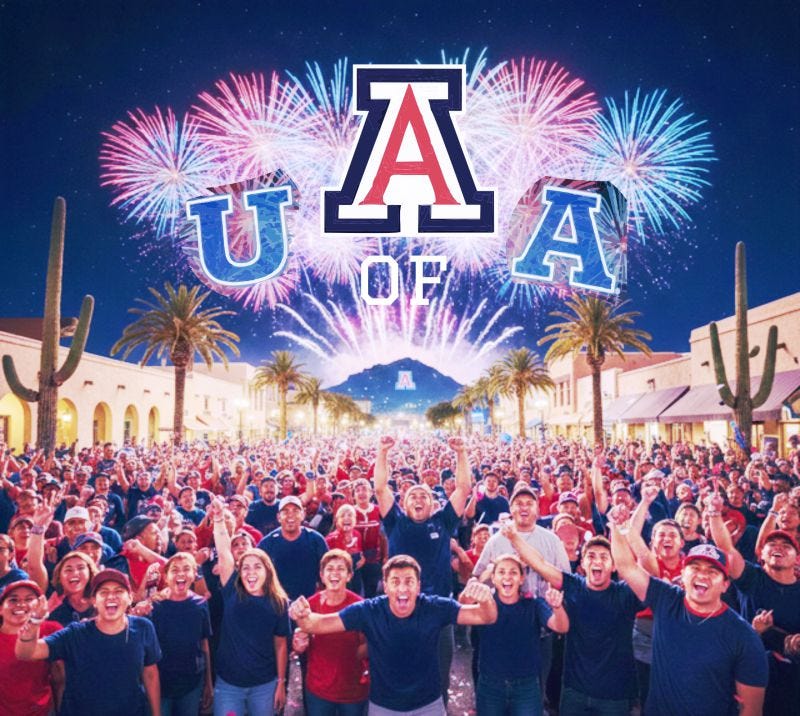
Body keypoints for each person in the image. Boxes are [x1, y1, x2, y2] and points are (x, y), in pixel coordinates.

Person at [289, 554, 497, 716]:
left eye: (409, 581)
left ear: (418, 586)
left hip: (429, 705)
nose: (402, 588)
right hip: (383, 707)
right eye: (395, 581)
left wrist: (486, 600)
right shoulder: (369, 610)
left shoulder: (434, 607)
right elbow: (316, 623)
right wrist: (300, 614)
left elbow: (485, 617)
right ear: (385, 586)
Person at [608, 506, 768, 716]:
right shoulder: (666, 599)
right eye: (695, 568)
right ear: (682, 575)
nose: (702, 575)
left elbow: (752, 709)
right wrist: (618, 528)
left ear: (725, 585)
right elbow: (626, 565)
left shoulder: (743, 636)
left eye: (712, 571)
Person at [504, 522, 642, 715]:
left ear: (613, 566)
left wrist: (627, 532)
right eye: (591, 556)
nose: (597, 561)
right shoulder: (573, 585)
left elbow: (650, 573)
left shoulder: (625, 594)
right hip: (574, 692)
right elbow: (540, 564)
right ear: (583, 563)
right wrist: (513, 537)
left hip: (615, 696)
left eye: (604, 557)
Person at [374, 435, 472, 704]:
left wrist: (461, 452)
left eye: (424, 496)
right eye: (412, 496)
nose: (418, 499)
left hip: (437, 610)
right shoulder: (395, 522)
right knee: (399, 671)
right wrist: (383, 453)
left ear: (434, 504)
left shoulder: (443, 521)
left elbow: (463, 488)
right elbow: (381, 488)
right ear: (404, 504)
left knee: (440, 674)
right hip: (399, 608)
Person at [15, 568, 162, 716]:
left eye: (118, 591)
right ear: (94, 601)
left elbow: (150, 674)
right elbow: (27, 653)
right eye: (103, 592)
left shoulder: (143, 628)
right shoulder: (75, 634)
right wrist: (33, 624)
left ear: (130, 598)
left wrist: (156, 714)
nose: (111, 596)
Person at [708, 492, 800, 715]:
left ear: (796, 557)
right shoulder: (752, 578)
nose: (778, 547)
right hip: (753, 674)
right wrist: (714, 513)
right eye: (772, 544)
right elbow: (726, 549)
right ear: (762, 554)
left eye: (785, 545)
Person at [210, 496, 290, 716]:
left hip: (265, 685)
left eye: (257, 567)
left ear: (267, 571)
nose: (251, 572)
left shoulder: (279, 602)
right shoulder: (231, 591)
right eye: (245, 567)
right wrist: (218, 519)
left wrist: (281, 683)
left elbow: (281, 644)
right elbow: (224, 552)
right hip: (229, 686)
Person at [469, 553, 568, 715]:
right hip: (490, 685)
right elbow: (460, 609)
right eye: (501, 572)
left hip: (526, 687)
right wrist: (475, 583)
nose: (507, 577)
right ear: (493, 578)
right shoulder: (485, 603)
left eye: (513, 572)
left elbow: (561, 627)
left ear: (522, 579)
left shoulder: (535, 605)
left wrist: (558, 607)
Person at [293, 549, 369, 715]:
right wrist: (299, 645)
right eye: (330, 569)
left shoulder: (360, 607)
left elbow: (366, 647)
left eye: (341, 569)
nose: (335, 573)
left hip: (352, 692)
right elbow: (299, 647)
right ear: (321, 575)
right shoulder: (309, 606)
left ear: (349, 575)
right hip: (318, 690)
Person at [149, 552, 213, 716]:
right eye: (175, 570)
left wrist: (208, 683)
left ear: (193, 575)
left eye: (186, 569)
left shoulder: (200, 604)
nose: (181, 574)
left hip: (191, 683)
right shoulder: (155, 605)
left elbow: (204, 644)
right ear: (166, 576)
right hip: (161, 684)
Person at [0, 580, 63, 716]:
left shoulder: (51, 629)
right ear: (0, 609)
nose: (21, 604)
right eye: (13, 600)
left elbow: (60, 678)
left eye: (29, 599)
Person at [257, 494, 328, 601]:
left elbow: (327, 572)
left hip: (310, 605)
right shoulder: (267, 543)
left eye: (295, 511)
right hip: (277, 604)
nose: (291, 515)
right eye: (285, 511)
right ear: (278, 517)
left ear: (303, 515)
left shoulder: (316, 540)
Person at [49, 551, 99, 626]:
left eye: (81, 568)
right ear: (59, 577)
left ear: (90, 573)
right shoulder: (54, 611)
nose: (75, 573)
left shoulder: (101, 603)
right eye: (68, 570)